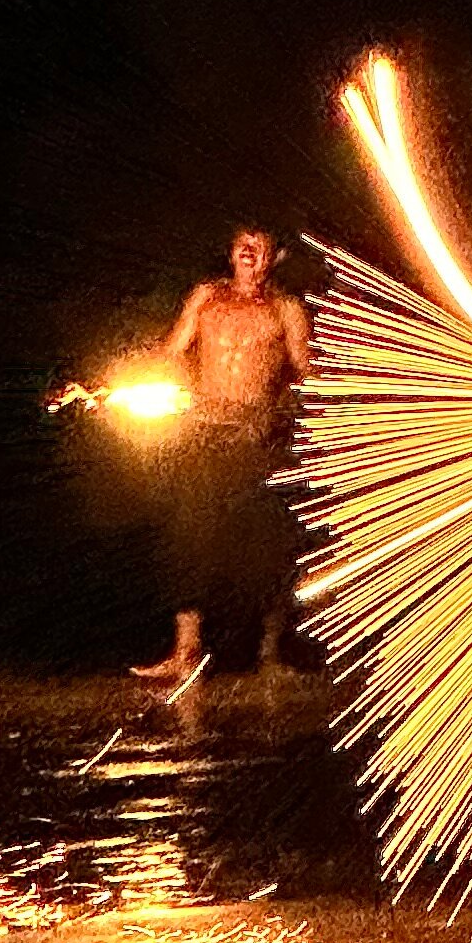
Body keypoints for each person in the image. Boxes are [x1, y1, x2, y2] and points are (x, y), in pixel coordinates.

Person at [134, 226, 314, 683]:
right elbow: (172, 350)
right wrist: (142, 383)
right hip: (205, 433)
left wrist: (277, 416)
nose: (249, 252)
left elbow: (304, 372)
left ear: (276, 256)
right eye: (242, 244)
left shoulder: (285, 309)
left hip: (256, 440)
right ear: (231, 252)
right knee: (190, 537)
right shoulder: (206, 298)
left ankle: (270, 656)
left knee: (265, 543)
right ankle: (186, 651)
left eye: (259, 245)